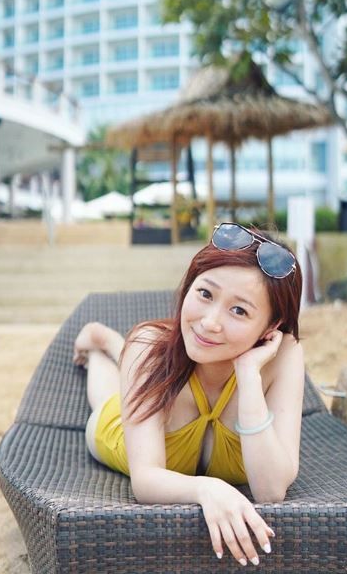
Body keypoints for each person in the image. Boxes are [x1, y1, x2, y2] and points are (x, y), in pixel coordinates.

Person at [73, 222, 304, 568]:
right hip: (119, 429)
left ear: (270, 328)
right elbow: (145, 480)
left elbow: (271, 491)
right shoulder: (147, 347)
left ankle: (115, 349)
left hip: (162, 375)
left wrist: (248, 376)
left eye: (239, 310)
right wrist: (207, 489)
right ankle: (101, 346)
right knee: (109, 399)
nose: (210, 322)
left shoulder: (284, 354)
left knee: (144, 371)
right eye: (206, 294)